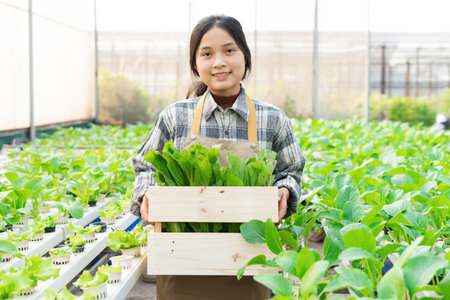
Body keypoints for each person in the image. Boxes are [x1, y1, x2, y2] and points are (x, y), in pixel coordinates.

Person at [130, 14, 305, 300]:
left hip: (251, 262)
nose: (219, 62)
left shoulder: (272, 120)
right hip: (182, 260)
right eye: (207, 54)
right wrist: (147, 195)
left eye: (229, 50)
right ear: (195, 65)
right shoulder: (176, 116)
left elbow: (292, 171)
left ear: (245, 57)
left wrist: (285, 190)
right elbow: (144, 165)